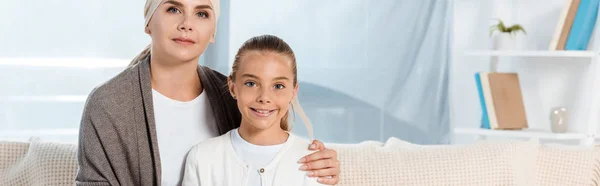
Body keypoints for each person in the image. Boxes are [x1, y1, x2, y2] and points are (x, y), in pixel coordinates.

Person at [75, 0, 340, 185]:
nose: (187, 24)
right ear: (148, 21)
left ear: (213, 31)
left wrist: (323, 165)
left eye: (202, 13)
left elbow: (272, 142)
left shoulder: (233, 95)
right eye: (173, 8)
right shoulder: (109, 105)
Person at [182, 35, 325, 186]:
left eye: (278, 86)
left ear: (293, 91)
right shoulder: (203, 158)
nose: (264, 97)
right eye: (251, 83)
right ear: (232, 87)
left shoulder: (314, 163)